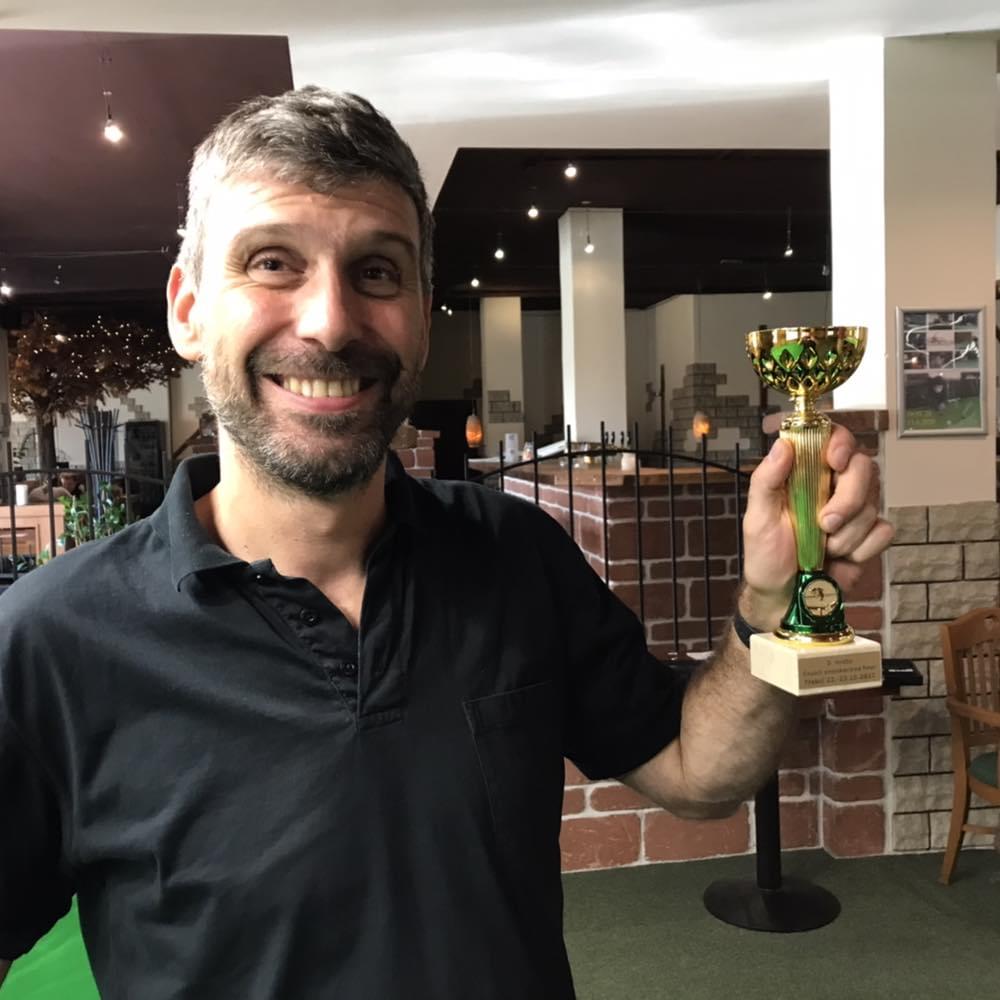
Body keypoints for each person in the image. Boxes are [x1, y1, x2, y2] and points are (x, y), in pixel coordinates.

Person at [0, 88, 893, 999]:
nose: (330, 321)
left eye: (377, 272)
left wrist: (773, 604)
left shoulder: (514, 554)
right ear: (188, 311)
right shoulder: (48, 643)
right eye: (272, 262)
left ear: (423, 317)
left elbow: (696, 774)